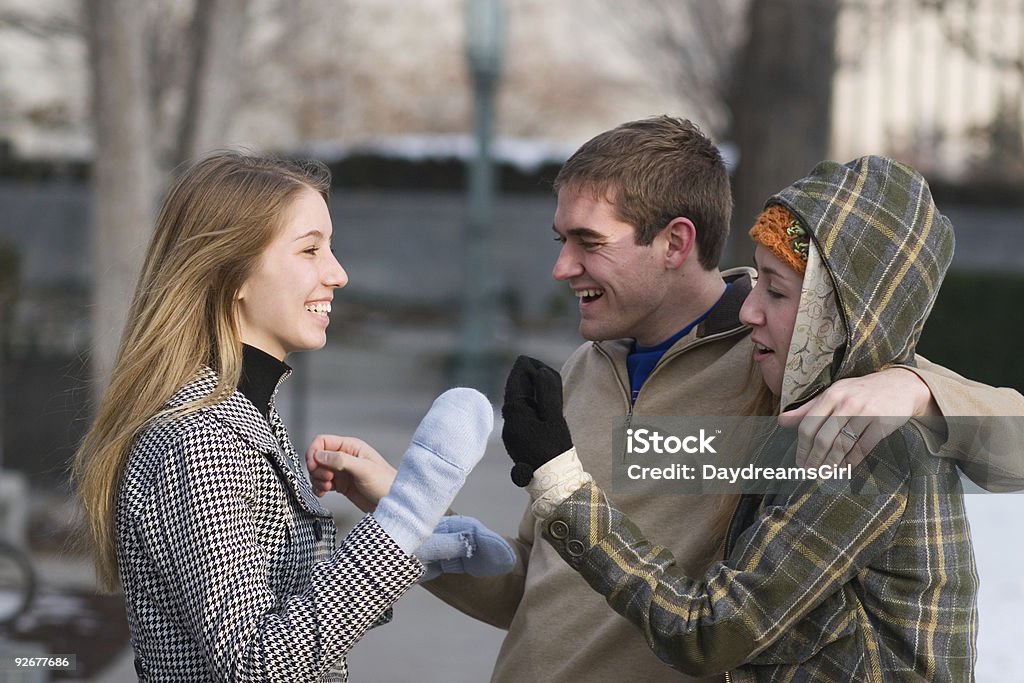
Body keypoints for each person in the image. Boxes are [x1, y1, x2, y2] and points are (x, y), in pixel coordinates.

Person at [311, 116, 1024, 682]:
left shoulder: (786, 367)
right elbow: (535, 584)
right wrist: (401, 507)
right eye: (560, 238)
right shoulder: (582, 373)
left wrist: (917, 384)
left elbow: (1006, 441)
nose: (562, 267)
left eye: (588, 242)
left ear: (675, 242)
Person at [500, 155, 979, 680]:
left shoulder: (870, 445)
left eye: (775, 291)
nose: (751, 310)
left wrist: (561, 485)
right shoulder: (804, 409)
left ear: (838, 313)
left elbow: (707, 634)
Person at [71, 151, 503, 682]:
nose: (338, 273)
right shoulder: (199, 441)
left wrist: (416, 546)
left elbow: (283, 609)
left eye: (331, 248)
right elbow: (259, 662)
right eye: (310, 250)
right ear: (231, 275)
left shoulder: (248, 419)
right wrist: (406, 515)